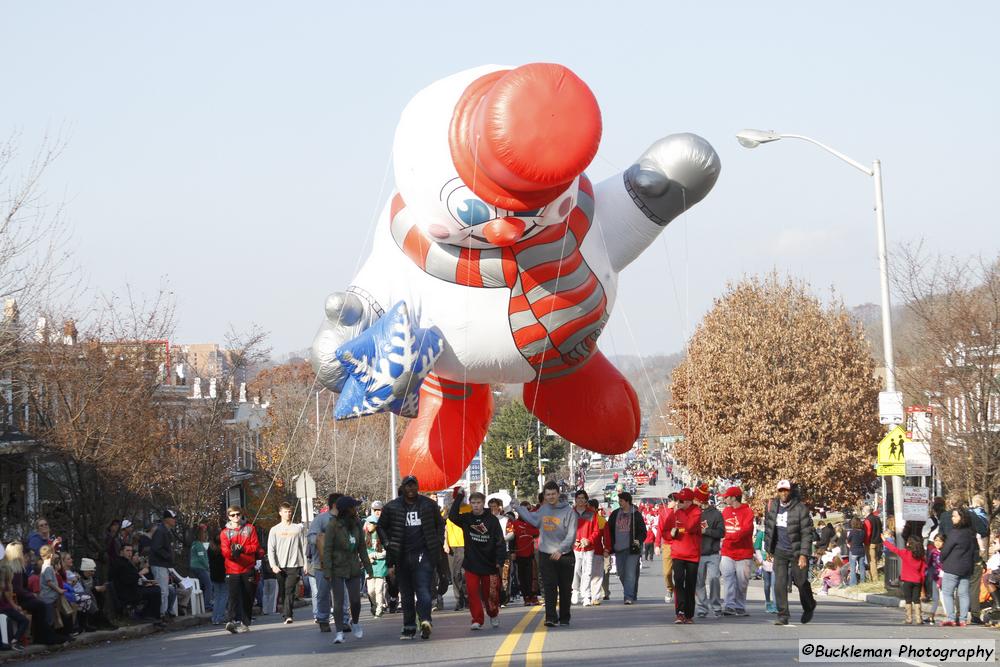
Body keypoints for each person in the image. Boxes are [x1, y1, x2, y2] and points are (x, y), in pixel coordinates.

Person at [376, 475, 446, 640]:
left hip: (424, 554)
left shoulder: (429, 505)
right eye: (408, 486)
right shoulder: (392, 507)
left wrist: (438, 542)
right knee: (406, 594)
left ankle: (425, 621)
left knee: (423, 590)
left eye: (413, 485)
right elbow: (381, 527)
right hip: (401, 555)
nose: (411, 489)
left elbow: (440, 524)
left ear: (418, 487)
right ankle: (409, 627)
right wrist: (388, 544)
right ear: (403, 488)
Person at [512, 480, 577, 627]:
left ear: (558, 494)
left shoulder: (568, 511)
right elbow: (532, 519)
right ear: (545, 496)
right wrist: (517, 507)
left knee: (565, 588)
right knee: (549, 586)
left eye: (553, 494)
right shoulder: (543, 509)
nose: (551, 497)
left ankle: (565, 617)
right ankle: (550, 617)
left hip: (565, 555)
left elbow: (571, 535)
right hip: (546, 554)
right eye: (548, 494)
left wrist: (560, 550)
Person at [449, 489, 506, 630]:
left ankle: (493, 614)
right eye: (473, 502)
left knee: (489, 595)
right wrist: (459, 497)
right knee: (473, 593)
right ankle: (477, 619)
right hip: (471, 564)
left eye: (478, 502)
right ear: (470, 504)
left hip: (489, 564)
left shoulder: (492, 520)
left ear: (483, 503)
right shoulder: (466, 518)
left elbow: (499, 541)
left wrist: (500, 560)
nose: (476, 505)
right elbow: (452, 516)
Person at [763, 480, 816, 626]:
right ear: (778, 492)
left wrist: (804, 555)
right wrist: (769, 550)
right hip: (779, 550)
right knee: (779, 583)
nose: (783, 493)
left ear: (790, 491)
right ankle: (783, 615)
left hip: (797, 551)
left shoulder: (800, 508)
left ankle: (809, 605)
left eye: (786, 490)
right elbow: (768, 529)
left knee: (801, 582)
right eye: (781, 490)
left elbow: (807, 533)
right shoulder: (772, 506)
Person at [325, 496, 373, 645]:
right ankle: (339, 632)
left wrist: (368, 569)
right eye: (353, 507)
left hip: (353, 566)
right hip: (337, 568)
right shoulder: (333, 525)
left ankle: (356, 622)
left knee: (355, 601)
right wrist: (327, 571)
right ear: (346, 510)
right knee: (338, 603)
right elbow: (327, 549)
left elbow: (362, 549)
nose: (355, 510)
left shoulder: (358, 524)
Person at [661, 488, 701, 623]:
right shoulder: (674, 514)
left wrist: (680, 524)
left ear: (689, 502)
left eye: (681, 500)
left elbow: (690, 527)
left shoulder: (696, 512)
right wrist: (670, 534)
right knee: (678, 582)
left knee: (690, 584)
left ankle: (689, 614)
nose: (678, 502)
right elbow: (665, 532)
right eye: (677, 500)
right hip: (678, 553)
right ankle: (680, 612)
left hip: (692, 554)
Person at [221, 505, 260, 634]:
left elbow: (255, 546)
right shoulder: (225, 533)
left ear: (241, 514)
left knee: (247, 596)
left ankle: (245, 622)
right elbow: (225, 551)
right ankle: (231, 621)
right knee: (233, 596)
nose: (236, 517)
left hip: (247, 568)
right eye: (232, 515)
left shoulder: (250, 529)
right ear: (228, 517)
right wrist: (233, 553)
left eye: (238, 514)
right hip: (232, 569)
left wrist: (243, 549)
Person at [267, 501, 307, 624]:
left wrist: (305, 563)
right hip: (279, 566)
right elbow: (271, 548)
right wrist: (273, 565)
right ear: (280, 513)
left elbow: (304, 546)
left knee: (289, 589)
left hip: (294, 564)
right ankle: (286, 612)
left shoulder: (298, 529)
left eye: (289, 511)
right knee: (283, 590)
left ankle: (288, 615)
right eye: (285, 511)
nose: (288, 514)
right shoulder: (274, 530)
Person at [939, 508, 977, 627]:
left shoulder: (955, 533)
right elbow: (974, 551)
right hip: (966, 567)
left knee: (947, 593)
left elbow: (946, 550)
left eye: (955, 516)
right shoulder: (971, 533)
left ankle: (950, 618)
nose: (952, 518)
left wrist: (942, 558)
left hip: (952, 567)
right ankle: (963, 619)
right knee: (964, 594)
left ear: (962, 518)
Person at [720, 486, 754, 617]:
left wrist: (729, 537)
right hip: (727, 551)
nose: (725, 499)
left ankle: (740, 606)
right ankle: (729, 606)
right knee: (728, 579)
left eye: (727, 497)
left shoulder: (748, 512)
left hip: (743, 553)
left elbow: (746, 531)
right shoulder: (725, 511)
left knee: (742, 581)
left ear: (734, 497)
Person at [308, 493, 340, 632]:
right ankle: (323, 619)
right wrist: (326, 539)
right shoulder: (320, 519)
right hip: (322, 565)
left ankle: (344, 620)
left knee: (341, 594)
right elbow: (311, 538)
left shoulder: (346, 520)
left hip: (340, 564)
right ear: (335, 505)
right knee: (323, 593)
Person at [608, 491, 646, 604]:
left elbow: (643, 531)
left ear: (627, 501)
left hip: (632, 549)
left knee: (630, 573)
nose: (619, 502)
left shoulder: (636, 514)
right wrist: (609, 545)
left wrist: (638, 541)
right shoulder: (615, 514)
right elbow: (609, 530)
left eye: (621, 501)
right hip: (618, 548)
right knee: (621, 573)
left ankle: (628, 597)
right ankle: (631, 591)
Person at [882, 531, 927, 624]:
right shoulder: (921, 556)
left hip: (907, 580)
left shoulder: (905, 553)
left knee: (908, 599)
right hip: (917, 580)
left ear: (909, 544)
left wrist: (885, 541)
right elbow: (923, 571)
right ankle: (919, 618)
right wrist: (922, 583)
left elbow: (894, 549)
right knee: (916, 599)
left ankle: (909, 618)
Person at [109, 544, 162, 622]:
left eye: (131, 551)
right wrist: (140, 575)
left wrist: (146, 583)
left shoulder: (126, 562)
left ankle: (152, 615)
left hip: (132, 588)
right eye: (127, 551)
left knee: (155, 588)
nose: (130, 553)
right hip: (127, 592)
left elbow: (133, 578)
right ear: (121, 552)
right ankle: (148, 615)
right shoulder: (119, 563)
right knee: (155, 591)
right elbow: (127, 579)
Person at [693, 484, 723, 618]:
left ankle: (716, 606)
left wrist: (707, 531)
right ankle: (702, 607)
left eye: (696, 498)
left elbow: (722, 532)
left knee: (714, 579)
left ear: (700, 500)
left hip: (712, 553)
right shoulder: (693, 512)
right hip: (697, 553)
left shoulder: (716, 514)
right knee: (699, 582)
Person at [570, 490, 600, 607]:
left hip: (589, 548)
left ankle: (586, 595)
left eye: (583, 498)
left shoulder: (592, 514)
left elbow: (596, 531)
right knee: (576, 570)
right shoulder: (570, 513)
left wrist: (588, 540)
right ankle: (575, 591)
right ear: (575, 500)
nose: (581, 500)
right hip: (575, 548)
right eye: (579, 498)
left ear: (586, 500)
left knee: (587, 572)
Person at [149, 509, 178, 621]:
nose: (174, 520)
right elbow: (156, 548)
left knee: (165, 590)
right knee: (163, 590)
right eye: (173, 518)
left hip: (162, 564)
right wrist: (168, 556)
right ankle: (161, 614)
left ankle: (164, 612)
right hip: (159, 564)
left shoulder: (164, 530)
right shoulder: (161, 531)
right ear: (166, 519)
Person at [511, 501, 540, 606]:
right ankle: (526, 597)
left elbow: (538, 533)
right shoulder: (514, 523)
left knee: (533, 576)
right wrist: (513, 552)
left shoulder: (532, 523)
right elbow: (511, 539)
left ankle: (533, 596)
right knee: (522, 577)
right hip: (519, 554)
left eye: (528, 510)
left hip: (531, 554)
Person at [444, 494, 469, 612]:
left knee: (463, 573)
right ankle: (459, 599)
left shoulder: (468, 508)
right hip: (451, 546)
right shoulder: (447, 511)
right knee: (454, 574)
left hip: (464, 545)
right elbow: (445, 528)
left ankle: (467, 597)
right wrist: (445, 543)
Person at [364, 501, 388, 617]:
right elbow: (361, 551)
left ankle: (379, 607)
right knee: (370, 591)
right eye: (367, 523)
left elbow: (385, 553)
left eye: (371, 523)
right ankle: (374, 604)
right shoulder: (365, 537)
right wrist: (366, 558)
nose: (368, 525)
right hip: (369, 567)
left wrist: (374, 556)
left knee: (379, 589)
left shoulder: (382, 536)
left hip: (380, 565)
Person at [0, 556, 29, 651]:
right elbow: (11, 602)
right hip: (6, 609)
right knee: (24, 620)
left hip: (4, 609)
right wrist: (17, 607)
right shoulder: (7, 587)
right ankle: (15, 640)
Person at [587, 498, 610, 605]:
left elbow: (607, 538)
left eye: (591, 508)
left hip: (597, 552)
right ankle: (587, 596)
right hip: (583, 552)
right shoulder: (581, 519)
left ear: (596, 509)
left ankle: (595, 597)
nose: (589, 509)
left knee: (597, 575)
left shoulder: (601, 521)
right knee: (586, 575)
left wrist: (606, 549)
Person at [655, 494, 677, 604]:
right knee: (667, 572)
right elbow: (659, 529)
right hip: (668, 545)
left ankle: (679, 592)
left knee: (679, 572)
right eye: (668, 500)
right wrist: (657, 544)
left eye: (671, 500)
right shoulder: (664, 512)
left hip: (680, 545)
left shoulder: (682, 513)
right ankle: (669, 588)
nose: (669, 502)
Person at [189, 524, 212, 611]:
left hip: (195, 567)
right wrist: (207, 567)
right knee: (209, 585)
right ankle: (207, 605)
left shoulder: (194, 544)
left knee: (202, 586)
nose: (206, 535)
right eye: (204, 533)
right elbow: (202, 559)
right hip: (200, 567)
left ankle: (203, 604)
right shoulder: (198, 545)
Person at [207, 530, 228, 625]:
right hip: (223, 574)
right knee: (223, 596)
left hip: (214, 575)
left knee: (217, 597)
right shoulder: (223, 549)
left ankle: (214, 617)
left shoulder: (210, 549)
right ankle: (220, 617)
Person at [846, 517, 866, 585]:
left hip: (854, 550)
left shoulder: (852, 531)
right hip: (861, 550)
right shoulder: (863, 531)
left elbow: (848, 540)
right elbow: (863, 540)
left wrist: (849, 544)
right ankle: (863, 581)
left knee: (852, 568)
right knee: (862, 567)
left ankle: (853, 583)